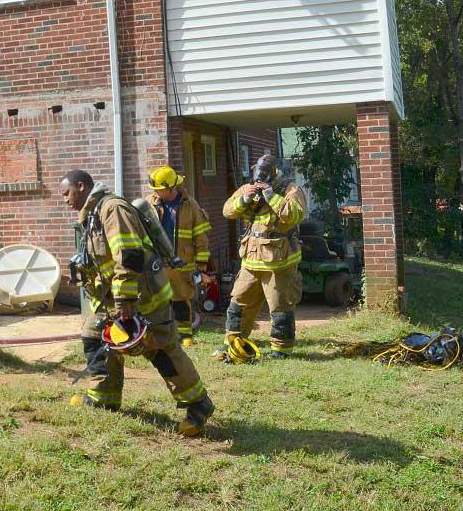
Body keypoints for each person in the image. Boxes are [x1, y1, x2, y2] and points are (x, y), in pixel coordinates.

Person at [60, 169, 215, 436]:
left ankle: (198, 405)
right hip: (112, 301)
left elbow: (130, 255)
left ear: (82, 186)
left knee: (161, 349)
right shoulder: (93, 214)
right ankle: (104, 397)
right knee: (95, 335)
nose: (64, 200)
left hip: (143, 298)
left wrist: (124, 299)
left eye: (66, 193)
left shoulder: (112, 210)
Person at [219, 153, 307, 360]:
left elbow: (294, 214)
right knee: (239, 301)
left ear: (274, 173)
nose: (260, 180)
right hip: (251, 259)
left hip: (279, 261)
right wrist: (245, 198)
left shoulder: (290, 189)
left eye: (265, 176)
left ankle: (281, 349)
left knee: (279, 305)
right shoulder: (248, 188)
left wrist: (271, 196)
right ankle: (233, 342)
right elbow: (227, 211)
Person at [145, 166, 214, 347]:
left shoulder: (190, 205)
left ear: (171, 187)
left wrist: (201, 261)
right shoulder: (149, 204)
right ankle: (159, 334)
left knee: (181, 298)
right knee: (157, 299)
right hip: (157, 261)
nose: (155, 192)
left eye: (159, 188)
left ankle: (185, 334)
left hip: (181, 261)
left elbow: (200, 234)